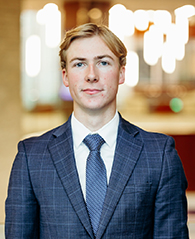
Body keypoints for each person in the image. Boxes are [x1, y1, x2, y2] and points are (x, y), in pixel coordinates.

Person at [5, 23, 189, 239]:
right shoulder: (31, 157)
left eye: (103, 62)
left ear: (121, 73)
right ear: (65, 76)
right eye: (79, 64)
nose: (91, 75)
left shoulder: (159, 155)